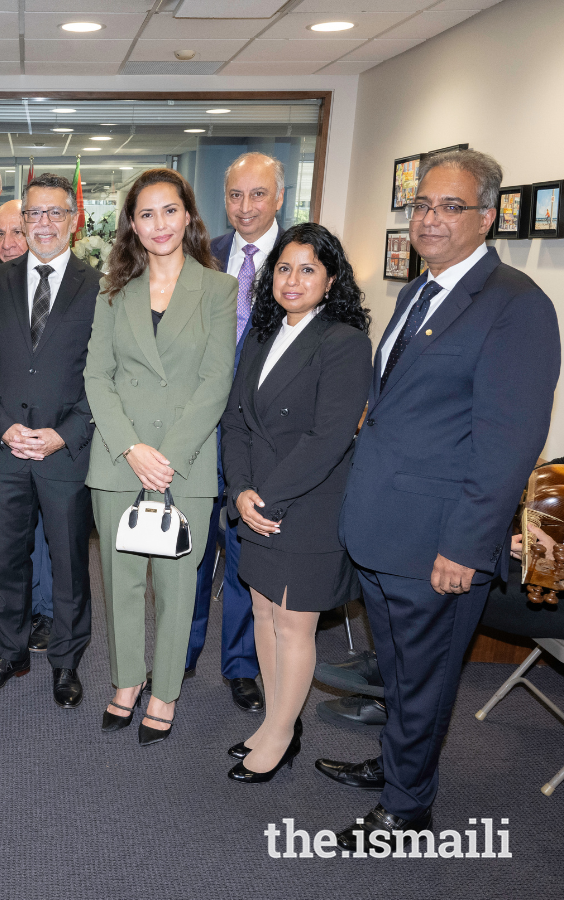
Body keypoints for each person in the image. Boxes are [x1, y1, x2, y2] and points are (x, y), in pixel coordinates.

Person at [330, 149, 560, 847]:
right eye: (422, 205)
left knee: (425, 681)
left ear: (487, 217)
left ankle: (406, 811)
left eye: (449, 206)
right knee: (399, 672)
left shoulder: (517, 307)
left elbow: (507, 445)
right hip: (384, 528)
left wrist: (465, 545)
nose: (430, 218)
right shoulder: (418, 291)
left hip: (437, 543)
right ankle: (398, 767)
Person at [84, 168, 236, 744]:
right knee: (119, 582)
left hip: (186, 463)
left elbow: (216, 381)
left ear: (189, 215)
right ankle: (126, 681)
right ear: (131, 225)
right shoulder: (113, 290)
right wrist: (131, 447)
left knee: (177, 587)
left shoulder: (218, 290)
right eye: (146, 214)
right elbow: (97, 374)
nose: (159, 224)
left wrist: (165, 457)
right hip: (118, 459)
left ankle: (165, 689)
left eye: (169, 211)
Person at [219, 223, 372, 782]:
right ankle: (272, 721)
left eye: (308, 269)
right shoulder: (261, 335)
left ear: (330, 279)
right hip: (255, 497)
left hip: (307, 505)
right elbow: (235, 419)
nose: (292, 279)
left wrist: (270, 496)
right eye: (284, 267)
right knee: (262, 611)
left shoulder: (345, 342)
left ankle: (282, 735)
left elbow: (330, 437)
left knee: (294, 626)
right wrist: (241, 491)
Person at [0, 172, 100, 707]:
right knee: (9, 560)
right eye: (34, 214)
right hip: (3, 448)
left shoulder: (101, 287)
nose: (43, 224)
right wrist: (3, 425)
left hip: (66, 450)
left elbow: (107, 375)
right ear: (21, 221)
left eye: (55, 214)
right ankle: (11, 652)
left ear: (74, 220)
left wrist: (62, 435)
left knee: (69, 563)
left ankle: (66, 662)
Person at [186, 151, 287, 715]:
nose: (245, 207)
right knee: (192, 550)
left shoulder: (301, 259)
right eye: (235, 196)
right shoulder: (205, 256)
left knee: (248, 555)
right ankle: (182, 649)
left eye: (257, 194)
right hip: (203, 431)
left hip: (261, 437)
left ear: (278, 197)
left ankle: (241, 666)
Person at [0, 199, 55, 646]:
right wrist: (2, 425)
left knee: (47, 537)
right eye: (0, 235)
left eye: (17, 233)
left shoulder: (71, 283)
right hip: (3, 430)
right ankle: (16, 612)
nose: (9, 244)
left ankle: (43, 611)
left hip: (54, 436)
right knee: (8, 538)